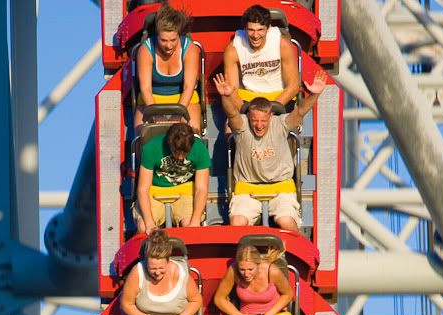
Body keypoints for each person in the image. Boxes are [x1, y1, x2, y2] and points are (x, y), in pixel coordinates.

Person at [215, 69, 328, 231]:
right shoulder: (243, 126)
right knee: (237, 223)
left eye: (263, 120)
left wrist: (314, 95)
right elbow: (232, 113)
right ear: (249, 118)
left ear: (271, 117)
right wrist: (225, 96)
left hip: (280, 186)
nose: (259, 125)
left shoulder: (280, 123)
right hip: (248, 187)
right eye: (255, 120)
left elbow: (300, 111)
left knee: (286, 222)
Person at [120, 229, 202, 315]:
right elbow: (127, 303)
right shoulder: (137, 273)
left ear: (168, 261)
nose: (157, 273)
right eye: (152, 268)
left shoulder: (181, 273)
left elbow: (196, 300)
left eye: (161, 268)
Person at [213, 241, 294, 315]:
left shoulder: (272, 271)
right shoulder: (233, 271)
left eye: (250, 269)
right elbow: (219, 298)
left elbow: (288, 294)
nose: (246, 274)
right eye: (242, 269)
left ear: (258, 264)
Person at [134, 4, 201, 134]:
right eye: (163, 40)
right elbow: (145, 88)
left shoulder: (189, 49)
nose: (169, 45)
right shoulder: (146, 50)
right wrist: (156, 115)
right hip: (151, 99)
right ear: (157, 36)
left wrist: (178, 115)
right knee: (143, 134)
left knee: (190, 132)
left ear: (179, 35)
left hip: (184, 99)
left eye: (173, 40)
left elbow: (189, 87)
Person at [135, 122, 210, 232]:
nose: (180, 157)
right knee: (143, 227)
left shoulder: (200, 149)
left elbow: (201, 189)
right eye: (176, 152)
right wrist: (149, 223)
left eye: (185, 153)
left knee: (190, 226)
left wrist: (195, 220)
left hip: (185, 190)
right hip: (156, 189)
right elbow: (143, 189)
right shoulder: (151, 148)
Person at [222, 4, 299, 108]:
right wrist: (246, 112)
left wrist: (270, 109)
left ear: (268, 29)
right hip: (249, 99)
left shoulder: (282, 45)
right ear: (245, 28)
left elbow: (293, 86)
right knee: (231, 123)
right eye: (251, 30)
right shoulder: (233, 49)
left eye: (260, 30)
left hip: (279, 97)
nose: (255, 35)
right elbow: (232, 90)